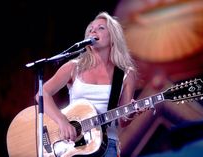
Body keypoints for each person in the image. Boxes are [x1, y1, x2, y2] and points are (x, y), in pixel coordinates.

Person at [37, 11, 137, 157]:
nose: (93, 30)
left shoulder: (126, 74)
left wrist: (131, 113)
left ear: (113, 38)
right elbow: (42, 93)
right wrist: (62, 121)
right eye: (91, 28)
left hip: (107, 146)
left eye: (101, 28)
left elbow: (123, 121)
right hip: (72, 146)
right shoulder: (73, 67)